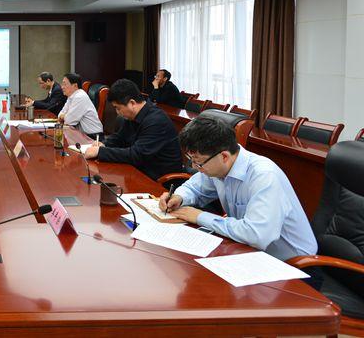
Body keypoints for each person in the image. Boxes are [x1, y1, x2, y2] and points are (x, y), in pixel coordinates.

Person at [159, 115, 317, 262]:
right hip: (249, 253)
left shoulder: (264, 176)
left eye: (198, 162)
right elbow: (195, 188)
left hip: (293, 265)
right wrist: (179, 197)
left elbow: (256, 235)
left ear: (224, 156)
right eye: (191, 160)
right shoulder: (217, 166)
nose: (194, 167)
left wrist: (200, 216)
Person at [84, 79, 182, 181]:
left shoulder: (156, 121)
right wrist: (104, 144)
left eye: (118, 108)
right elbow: (120, 137)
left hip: (158, 180)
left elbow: (137, 155)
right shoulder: (133, 116)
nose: (117, 112)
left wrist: (100, 152)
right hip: (138, 171)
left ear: (132, 103)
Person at [57, 73, 103, 140]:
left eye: (65, 84)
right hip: (81, 134)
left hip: (93, 137)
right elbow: (60, 115)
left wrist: (64, 116)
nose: (62, 87)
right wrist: (65, 116)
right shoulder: (71, 96)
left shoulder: (80, 96)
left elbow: (69, 121)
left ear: (75, 85)